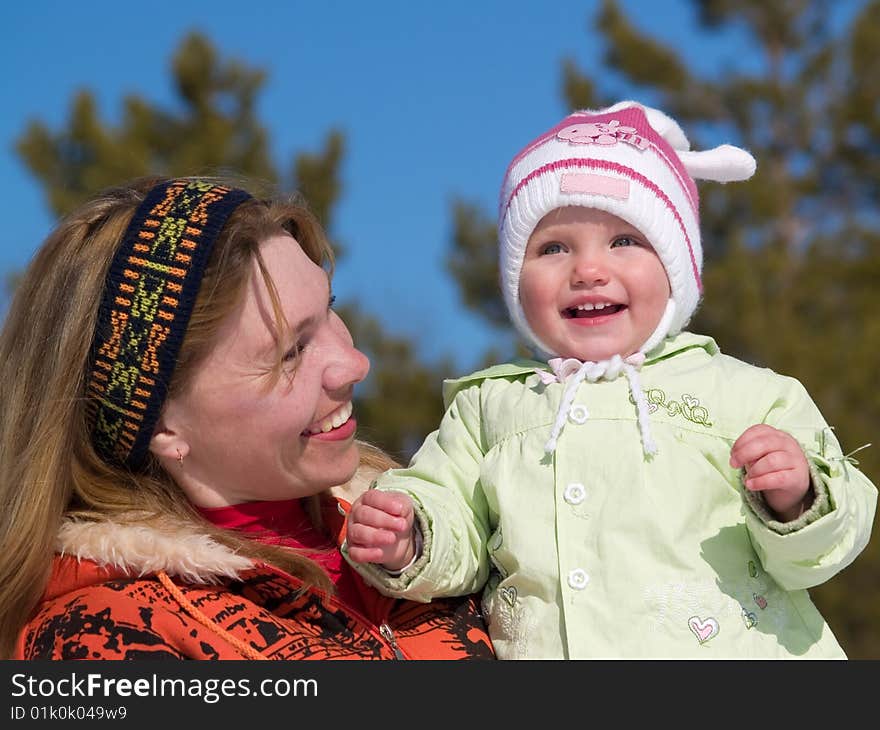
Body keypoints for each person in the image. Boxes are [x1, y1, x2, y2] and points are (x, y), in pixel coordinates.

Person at [343, 101, 878, 658]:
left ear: (675, 268)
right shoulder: (491, 407)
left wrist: (800, 497)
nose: (588, 270)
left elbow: (825, 549)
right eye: (553, 248)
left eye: (624, 241)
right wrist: (412, 535)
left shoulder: (745, 394)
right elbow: (453, 515)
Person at [0, 176, 493, 660]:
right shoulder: (101, 639)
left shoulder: (436, 523)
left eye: (330, 308)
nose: (354, 363)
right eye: (291, 352)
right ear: (163, 427)